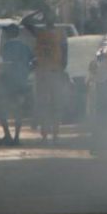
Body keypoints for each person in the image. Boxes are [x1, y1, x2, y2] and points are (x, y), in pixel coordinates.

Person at [25, 11, 68, 142]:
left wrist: (62, 69)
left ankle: (53, 133)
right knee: (47, 104)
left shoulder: (54, 33)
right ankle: (47, 133)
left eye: (50, 16)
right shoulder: (41, 32)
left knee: (52, 103)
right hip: (46, 72)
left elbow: (65, 54)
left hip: (50, 72)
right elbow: (25, 22)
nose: (49, 19)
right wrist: (39, 10)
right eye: (47, 16)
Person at [0, 24, 32, 145]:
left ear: (10, 34)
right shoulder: (25, 47)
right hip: (22, 83)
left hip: (9, 83)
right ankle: (16, 137)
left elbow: (6, 63)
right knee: (18, 111)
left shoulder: (7, 46)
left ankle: (7, 135)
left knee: (2, 109)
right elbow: (31, 61)